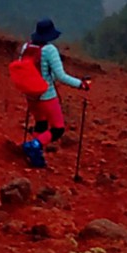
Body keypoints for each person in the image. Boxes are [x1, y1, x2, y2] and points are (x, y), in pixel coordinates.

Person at [19, 18, 91, 169]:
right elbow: (61, 76)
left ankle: (35, 156)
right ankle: (34, 146)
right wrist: (81, 84)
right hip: (47, 95)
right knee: (58, 129)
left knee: (40, 124)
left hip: (30, 94)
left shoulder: (26, 46)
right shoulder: (50, 50)